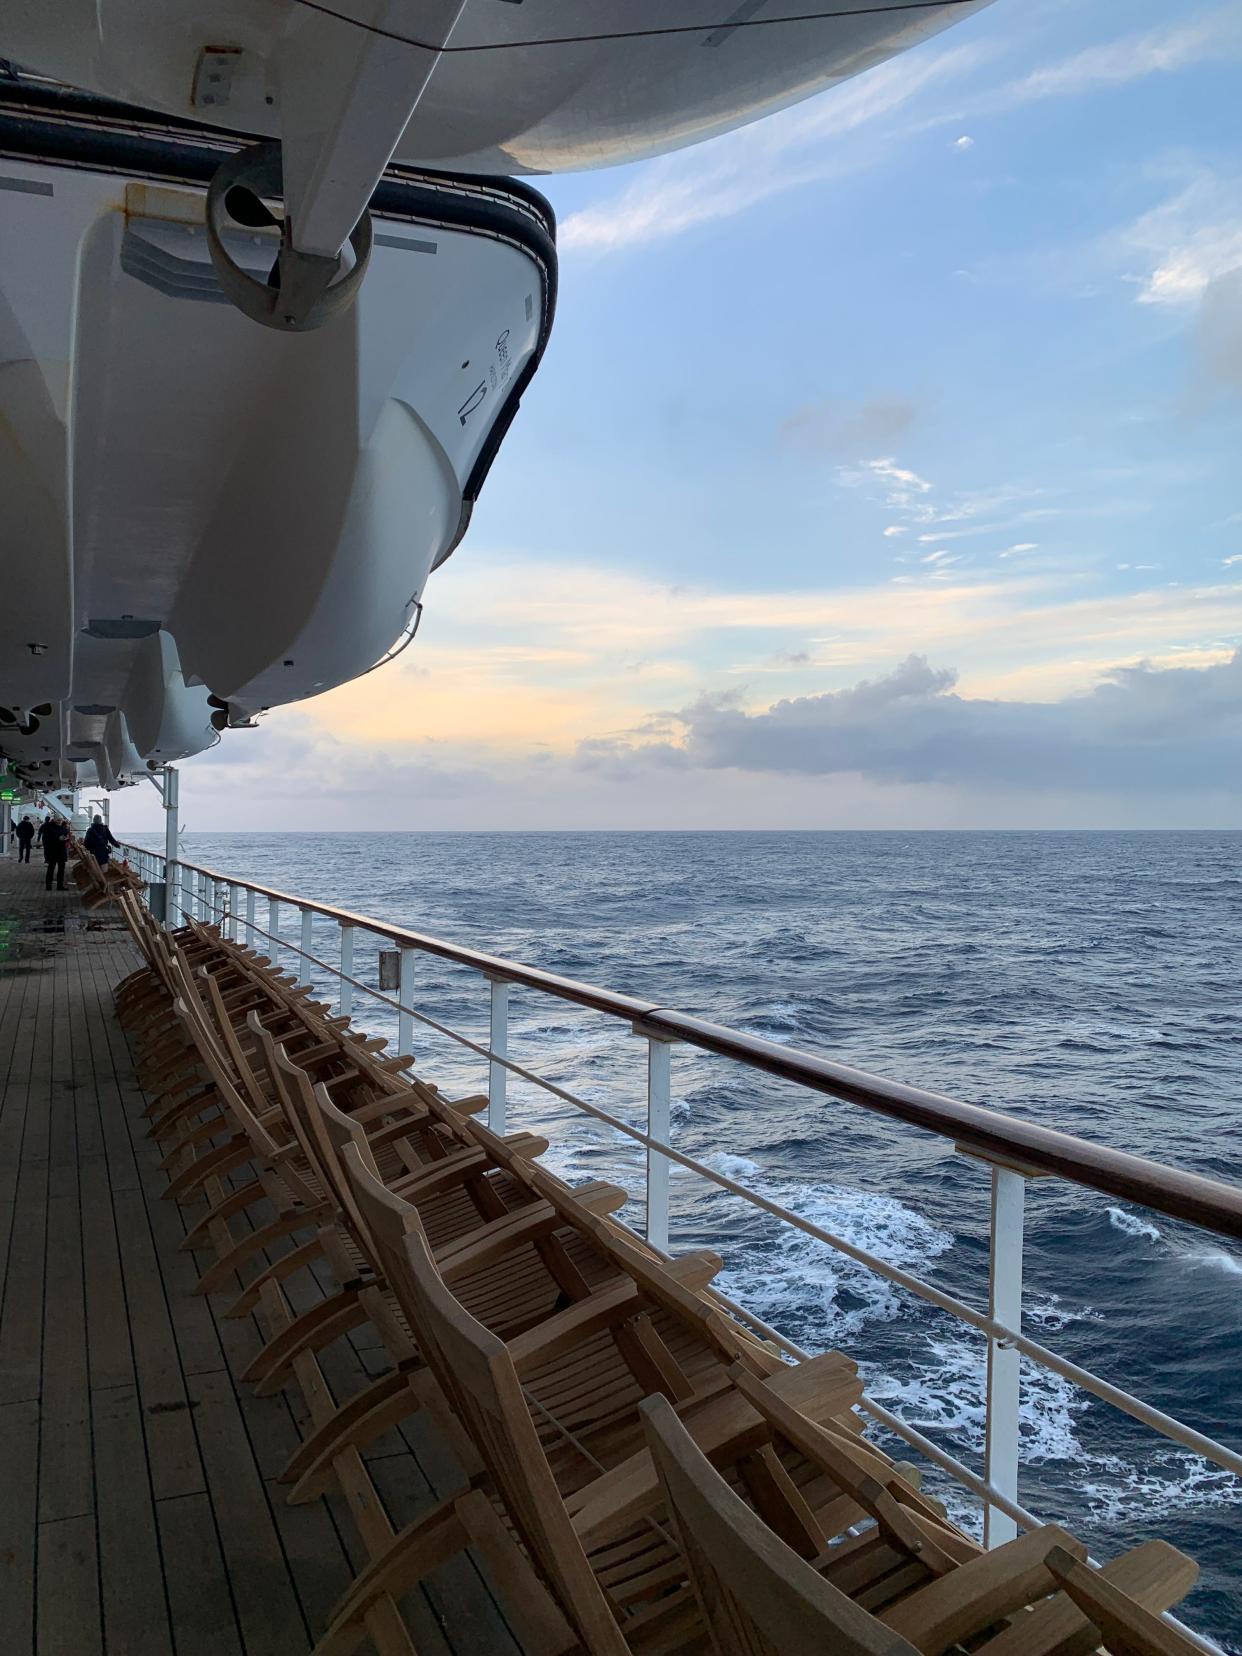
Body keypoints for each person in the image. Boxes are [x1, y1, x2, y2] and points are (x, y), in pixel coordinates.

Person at [37, 815, 71, 890]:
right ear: (54, 820)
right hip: (52, 851)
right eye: (58, 820)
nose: (59, 821)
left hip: (61, 851)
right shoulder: (48, 827)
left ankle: (60, 886)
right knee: (51, 868)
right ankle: (48, 886)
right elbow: (47, 839)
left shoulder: (62, 826)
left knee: (61, 869)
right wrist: (58, 838)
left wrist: (66, 838)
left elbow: (66, 834)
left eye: (61, 820)